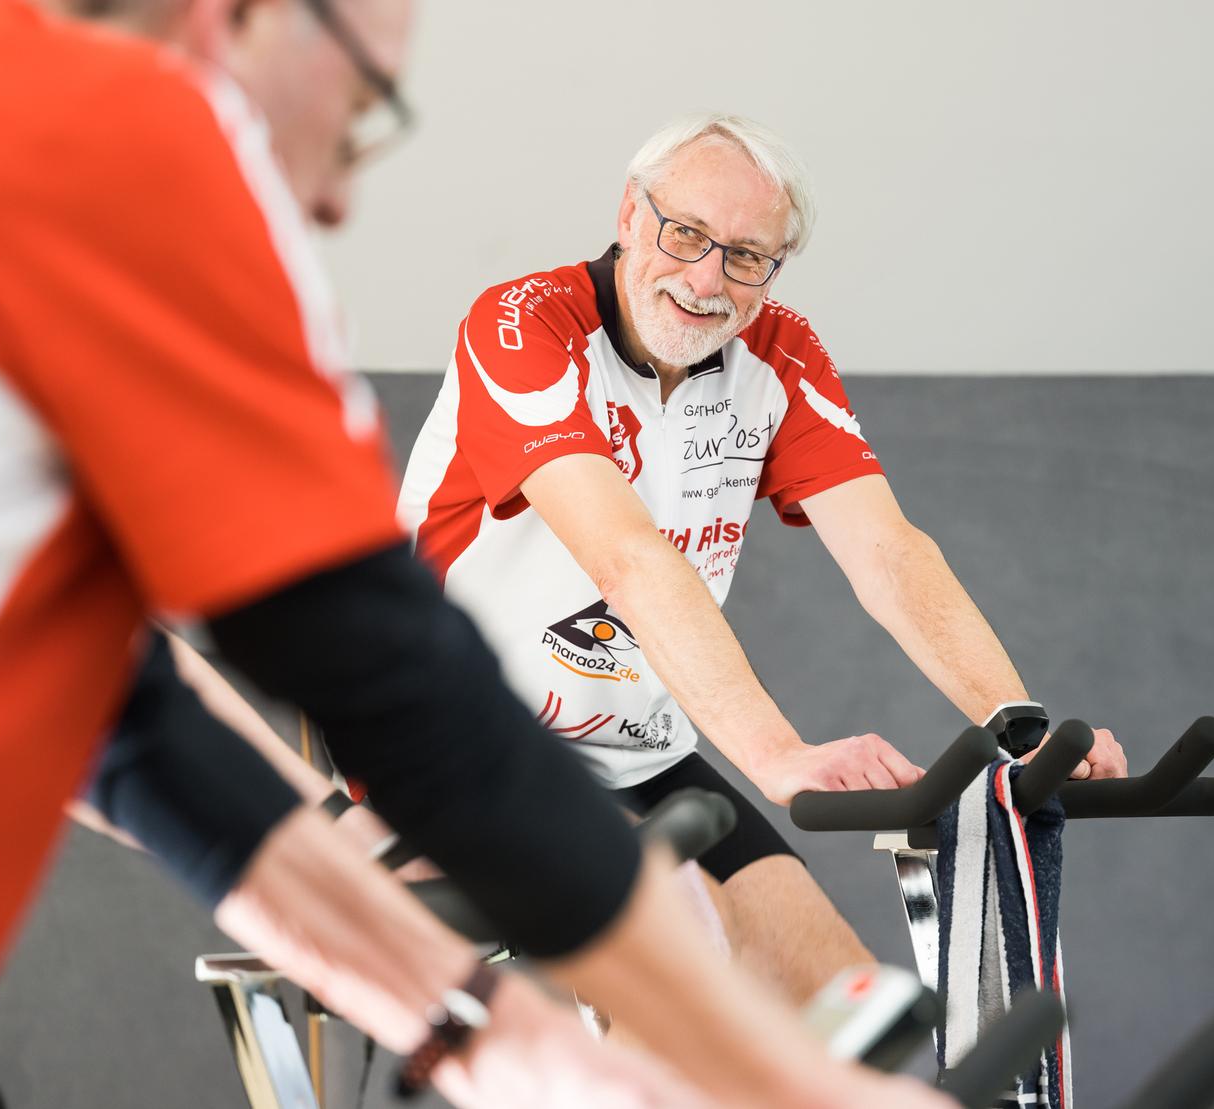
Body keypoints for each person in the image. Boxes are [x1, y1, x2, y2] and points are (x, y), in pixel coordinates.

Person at [0, 4, 945, 1107]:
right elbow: (391, 679)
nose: (336, 195)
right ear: (238, 18)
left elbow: (119, 710)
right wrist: (751, 1067)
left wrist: (470, 1025)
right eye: (363, 107)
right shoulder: (108, 131)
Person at [399, 112, 1131, 1003]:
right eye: (687, 234)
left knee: (846, 1007)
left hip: (639, 756)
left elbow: (888, 550)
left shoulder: (778, 349)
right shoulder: (523, 326)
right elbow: (628, 558)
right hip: (457, 742)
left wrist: (1017, 727)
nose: (708, 278)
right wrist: (778, 756)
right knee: (683, 980)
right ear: (631, 214)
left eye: (747, 255)